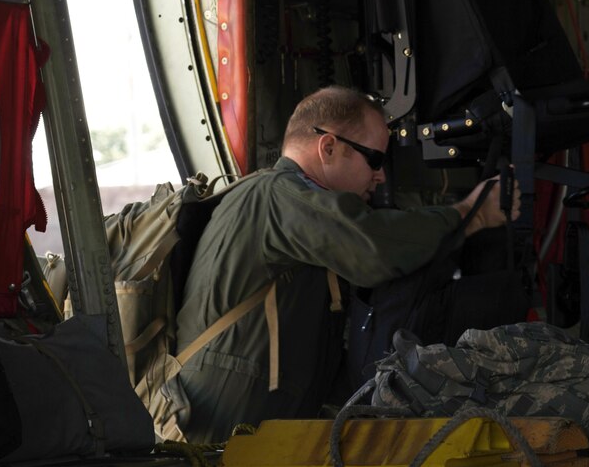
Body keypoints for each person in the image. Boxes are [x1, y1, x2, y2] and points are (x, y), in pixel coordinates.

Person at [161, 85, 521, 444]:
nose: (380, 176)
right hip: (217, 440)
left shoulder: (275, 200)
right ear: (328, 147)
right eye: (375, 160)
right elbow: (374, 247)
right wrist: (470, 215)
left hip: (239, 438)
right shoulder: (278, 196)